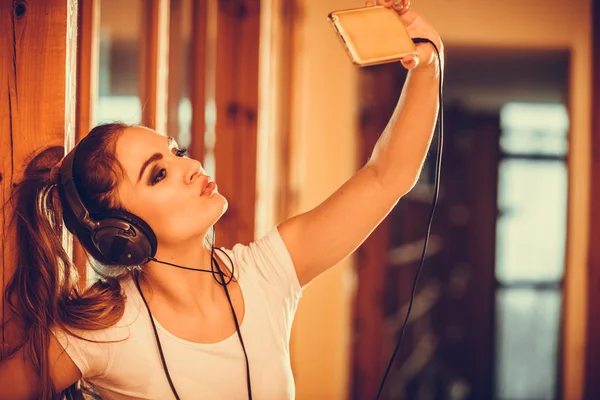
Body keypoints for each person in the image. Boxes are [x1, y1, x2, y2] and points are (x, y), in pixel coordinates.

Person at [0, 0, 443, 398]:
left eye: (177, 152)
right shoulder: (101, 333)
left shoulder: (267, 273)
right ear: (121, 234)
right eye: (158, 174)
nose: (191, 166)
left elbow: (387, 177)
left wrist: (427, 62)